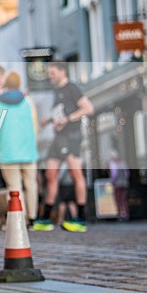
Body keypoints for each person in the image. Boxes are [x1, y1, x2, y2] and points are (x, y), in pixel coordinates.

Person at [33, 62, 94, 232]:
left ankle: (81, 219)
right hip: (58, 138)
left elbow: (88, 108)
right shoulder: (57, 92)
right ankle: (45, 218)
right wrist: (51, 121)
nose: (50, 76)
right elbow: (62, 114)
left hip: (71, 137)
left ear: (62, 72)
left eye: (52, 73)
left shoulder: (72, 88)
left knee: (76, 174)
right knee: (50, 174)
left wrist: (68, 119)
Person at [0, 71, 38, 223]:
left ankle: (20, 217)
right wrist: (32, 145)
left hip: (7, 151)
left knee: (14, 187)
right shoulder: (28, 101)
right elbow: (35, 126)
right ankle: (33, 216)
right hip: (28, 151)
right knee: (31, 184)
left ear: (5, 84)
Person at [109, 149, 130, 222]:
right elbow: (127, 173)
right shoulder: (123, 162)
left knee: (118, 199)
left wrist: (112, 181)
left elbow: (114, 174)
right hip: (124, 183)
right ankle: (125, 214)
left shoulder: (113, 163)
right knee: (123, 199)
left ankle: (120, 214)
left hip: (117, 184)